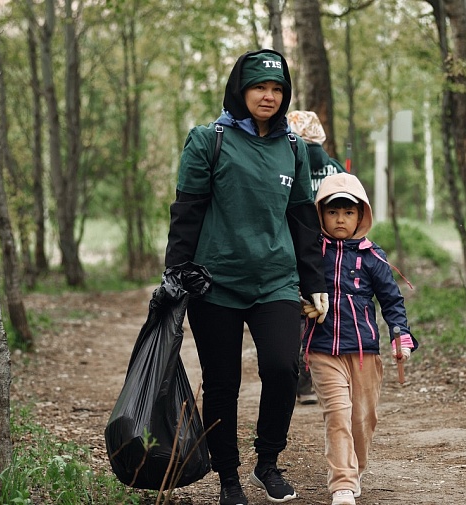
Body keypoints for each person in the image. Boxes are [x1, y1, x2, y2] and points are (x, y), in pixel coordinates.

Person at [164, 49, 327, 505]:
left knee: (283, 367)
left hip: (275, 279)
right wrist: (175, 276)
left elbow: (301, 218)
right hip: (215, 283)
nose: (269, 96)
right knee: (222, 382)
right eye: (260, 87)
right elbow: (187, 213)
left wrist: (313, 280)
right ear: (240, 90)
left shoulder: (294, 148)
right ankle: (228, 478)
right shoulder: (206, 140)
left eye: (277, 89)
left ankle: (267, 462)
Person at [300, 172, 419, 505]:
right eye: (333, 212)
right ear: (320, 213)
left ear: (361, 215)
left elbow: (392, 301)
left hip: (365, 352)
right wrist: (301, 301)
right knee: (337, 415)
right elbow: (293, 286)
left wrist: (400, 337)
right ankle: (342, 482)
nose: (341, 219)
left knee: (362, 419)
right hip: (323, 350)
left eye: (349, 212)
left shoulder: (372, 256)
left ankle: (356, 468)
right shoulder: (310, 254)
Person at [287, 110, 346, 406]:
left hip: (292, 250)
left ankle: (300, 381)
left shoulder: (285, 162)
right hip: (329, 252)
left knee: (297, 314)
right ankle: (321, 380)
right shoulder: (336, 170)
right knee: (322, 311)